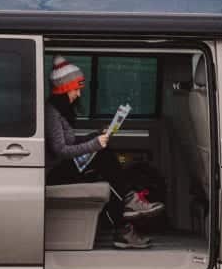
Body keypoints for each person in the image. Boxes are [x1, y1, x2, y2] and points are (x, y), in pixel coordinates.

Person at [44, 55, 165, 249]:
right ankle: (128, 206)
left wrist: (94, 136)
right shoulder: (52, 113)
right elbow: (60, 150)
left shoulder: (61, 112)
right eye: (75, 89)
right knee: (102, 155)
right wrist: (94, 144)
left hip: (63, 167)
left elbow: (71, 142)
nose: (78, 94)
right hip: (53, 174)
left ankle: (124, 222)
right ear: (63, 89)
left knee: (108, 168)